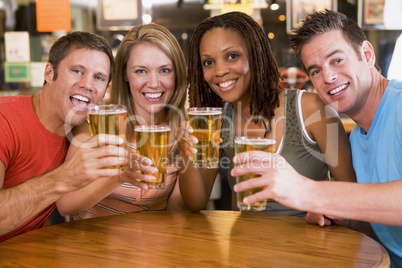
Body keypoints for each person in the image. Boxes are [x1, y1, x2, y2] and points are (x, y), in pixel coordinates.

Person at [232, 9, 402, 266]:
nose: (328, 77)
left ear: (366, 54)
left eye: (337, 60)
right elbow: (378, 230)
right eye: (315, 71)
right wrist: (340, 216)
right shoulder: (357, 136)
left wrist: (311, 192)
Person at [185, 11, 355, 218]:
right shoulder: (219, 120)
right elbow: (196, 202)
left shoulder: (312, 108)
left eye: (232, 56)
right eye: (208, 62)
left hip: (308, 245)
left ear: (256, 56)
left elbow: (351, 193)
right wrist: (184, 150)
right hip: (245, 244)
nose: (219, 71)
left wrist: (326, 210)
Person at [56, 23, 216, 219]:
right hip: (94, 244)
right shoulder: (101, 124)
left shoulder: (182, 129)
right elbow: (65, 205)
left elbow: (179, 209)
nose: (154, 83)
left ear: (177, 75)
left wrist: (187, 155)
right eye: (141, 71)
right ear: (125, 74)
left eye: (165, 70)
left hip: (153, 243)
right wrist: (120, 176)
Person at [0, 31, 124, 242]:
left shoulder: (83, 131)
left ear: (105, 91)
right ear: (49, 72)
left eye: (99, 77)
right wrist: (64, 177)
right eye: (77, 71)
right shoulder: (5, 119)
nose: (88, 84)